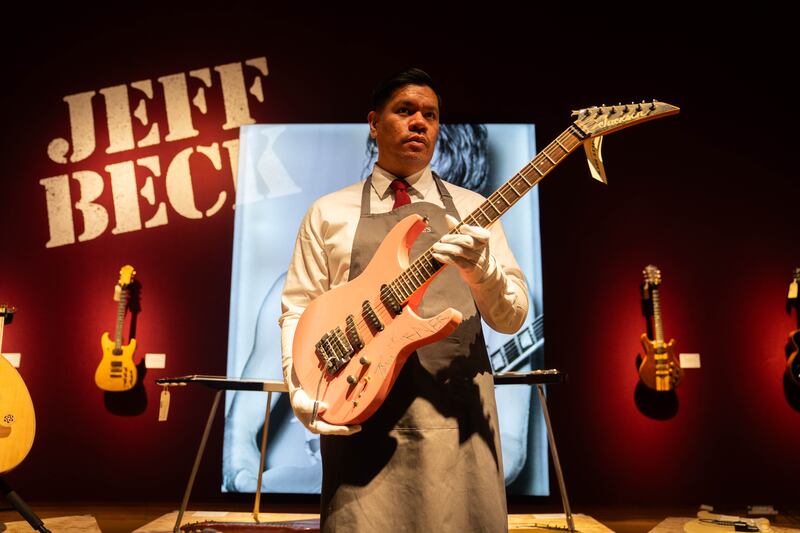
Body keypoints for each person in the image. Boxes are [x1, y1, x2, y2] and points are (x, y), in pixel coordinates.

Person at [279, 68, 529, 531]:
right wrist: (300, 388)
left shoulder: (474, 209)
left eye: (430, 115)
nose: (420, 122)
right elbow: (298, 305)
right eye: (405, 110)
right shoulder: (327, 212)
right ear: (374, 123)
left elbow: (511, 316)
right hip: (358, 418)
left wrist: (481, 269)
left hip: (457, 426)